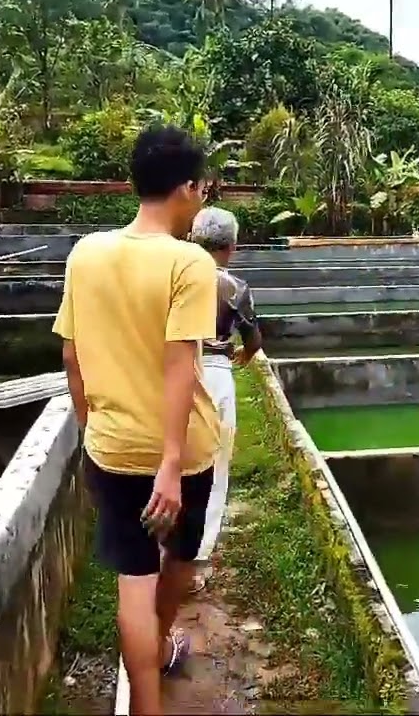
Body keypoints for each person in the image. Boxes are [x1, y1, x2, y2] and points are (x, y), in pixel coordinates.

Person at [53, 124, 220, 716]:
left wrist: (90, 421)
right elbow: (182, 363)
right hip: (184, 454)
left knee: (133, 578)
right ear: (186, 188)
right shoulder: (189, 263)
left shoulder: (86, 253)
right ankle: (163, 635)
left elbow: (71, 353)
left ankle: (146, 703)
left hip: (113, 447)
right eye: (202, 185)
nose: (203, 196)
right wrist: (170, 465)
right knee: (177, 559)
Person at [186, 206, 263, 594]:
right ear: (231, 248)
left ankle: (159, 553)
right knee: (214, 468)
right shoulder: (234, 288)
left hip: (171, 368)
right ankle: (197, 563)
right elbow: (253, 342)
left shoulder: (171, 277)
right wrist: (240, 357)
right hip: (215, 372)